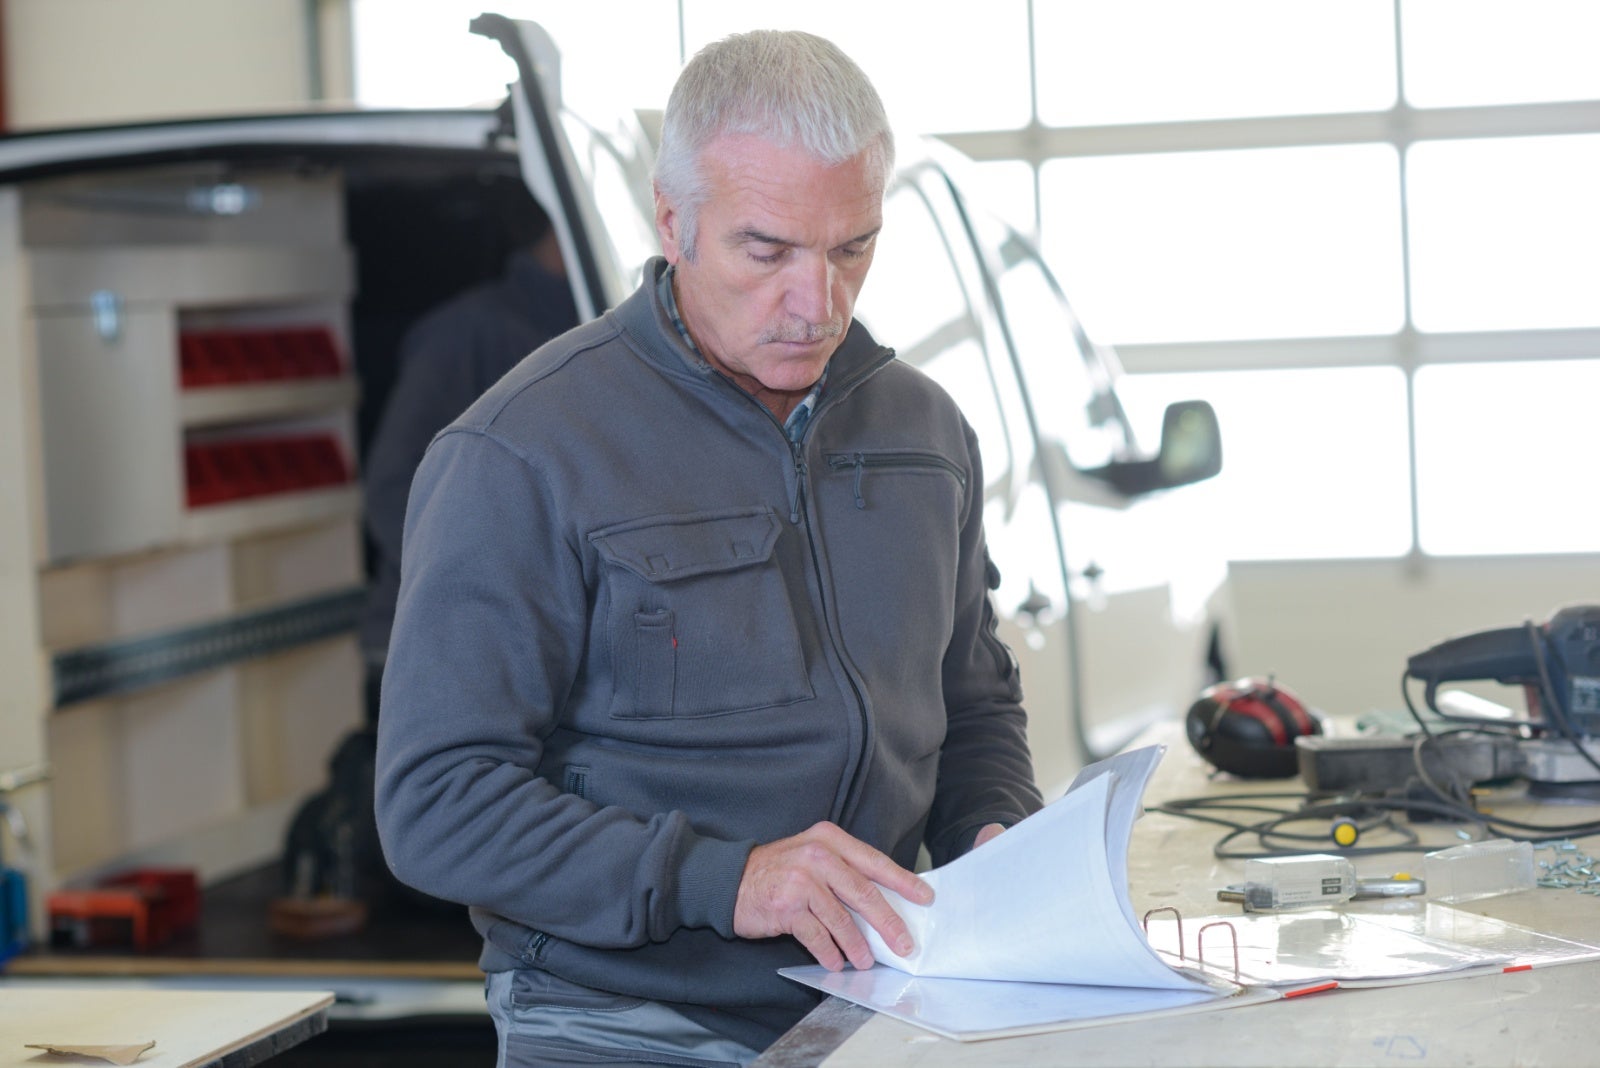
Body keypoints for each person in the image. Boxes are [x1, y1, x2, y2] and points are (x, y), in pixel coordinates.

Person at [375, 29, 1042, 1067]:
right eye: (766, 252)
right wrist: (725, 881)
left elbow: (971, 702)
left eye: (851, 249)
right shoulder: (523, 451)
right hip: (616, 1021)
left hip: (879, 1005)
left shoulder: (926, 433)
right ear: (671, 220)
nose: (816, 304)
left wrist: (993, 829)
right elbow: (436, 806)